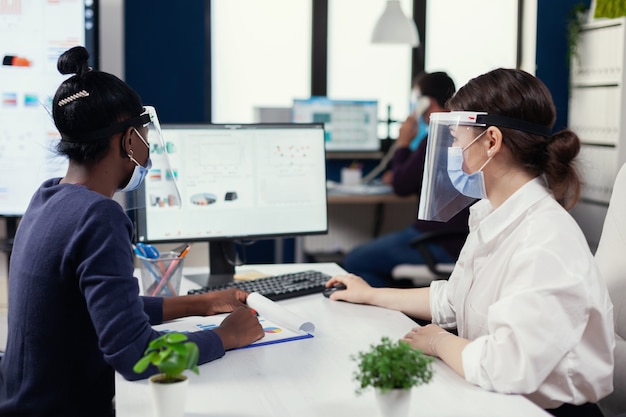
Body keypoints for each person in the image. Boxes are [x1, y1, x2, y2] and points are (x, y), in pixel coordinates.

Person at [325, 68, 615, 416]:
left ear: (491, 141)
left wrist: (437, 341)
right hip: (499, 397)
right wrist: (369, 294)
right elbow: (454, 299)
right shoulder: (493, 214)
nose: (455, 149)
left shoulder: (546, 240)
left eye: (458, 137)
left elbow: (508, 367)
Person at [0, 46, 264, 417]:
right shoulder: (99, 217)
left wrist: (201, 303)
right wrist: (227, 336)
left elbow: (100, 310)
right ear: (128, 141)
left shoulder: (47, 197)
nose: (147, 150)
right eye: (145, 139)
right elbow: (136, 355)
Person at [342, 71, 470, 288]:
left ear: (424, 102)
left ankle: (394, 306)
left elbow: (401, 185)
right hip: (457, 241)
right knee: (371, 268)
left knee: (353, 260)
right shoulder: (462, 132)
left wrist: (402, 142)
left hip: (436, 242)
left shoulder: (438, 135)